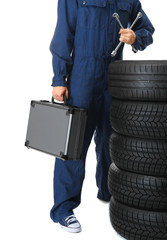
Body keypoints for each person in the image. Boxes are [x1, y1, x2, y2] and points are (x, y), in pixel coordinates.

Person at [50, 0, 155, 233]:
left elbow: (146, 28)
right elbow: (63, 34)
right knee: (72, 145)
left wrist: (136, 38)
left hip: (115, 80)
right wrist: (59, 79)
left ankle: (108, 191)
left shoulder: (129, 1)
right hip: (82, 80)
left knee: (112, 142)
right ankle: (63, 209)